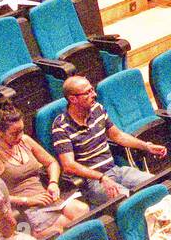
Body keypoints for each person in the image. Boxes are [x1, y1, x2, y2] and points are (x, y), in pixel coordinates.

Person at [51, 76, 164, 207]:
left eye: (92, 89)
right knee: (132, 203)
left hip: (115, 170)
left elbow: (118, 136)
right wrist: (101, 177)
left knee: (156, 187)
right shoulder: (61, 126)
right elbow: (69, 165)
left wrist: (146, 146)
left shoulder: (97, 109)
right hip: (92, 182)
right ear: (73, 99)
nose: (94, 94)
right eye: (87, 93)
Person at [0, 103, 89, 238]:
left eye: (21, 131)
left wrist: (53, 183)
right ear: (0, 132)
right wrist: (27, 200)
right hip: (26, 207)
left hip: (46, 196)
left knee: (82, 211)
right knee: (64, 227)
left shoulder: (25, 140)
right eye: (14, 133)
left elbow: (51, 162)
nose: (19, 136)